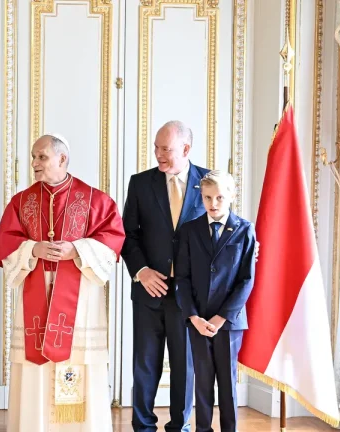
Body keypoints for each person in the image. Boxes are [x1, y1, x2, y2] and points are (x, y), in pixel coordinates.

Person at [0, 134, 125, 432]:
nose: (34, 163)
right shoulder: (21, 201)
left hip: (80, 300)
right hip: (36, 293)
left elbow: (113, 241)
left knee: (78, 361)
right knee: (35, 368)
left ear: (62, 158)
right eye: (33, 157)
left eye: (41, 157)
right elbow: (6, 244)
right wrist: (33, 249)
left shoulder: (95, 200)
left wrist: (77, 250)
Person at [121, 121, 208, 431]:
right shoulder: (140, 183)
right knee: (145, 365)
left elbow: (222, 232)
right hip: (148, 292)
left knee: (185, 367)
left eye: (166, 149)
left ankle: (179, 427)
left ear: (185, 149)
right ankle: (142, 427)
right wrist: (141, 271)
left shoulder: (210, 183)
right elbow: (127, 235)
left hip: (190, 296)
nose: (158, 154)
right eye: (156, 147)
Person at [175, 170, 256, 432]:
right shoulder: (190, 230)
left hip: (229, 322)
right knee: (202, 380)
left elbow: (246, 280)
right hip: (198, 320)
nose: (213, 203)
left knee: (227, 382)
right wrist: (193, 317)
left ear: (231, 196)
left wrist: (222, 318)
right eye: (208, 197)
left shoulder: (244, 230)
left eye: (220, 197)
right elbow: (182, 278)